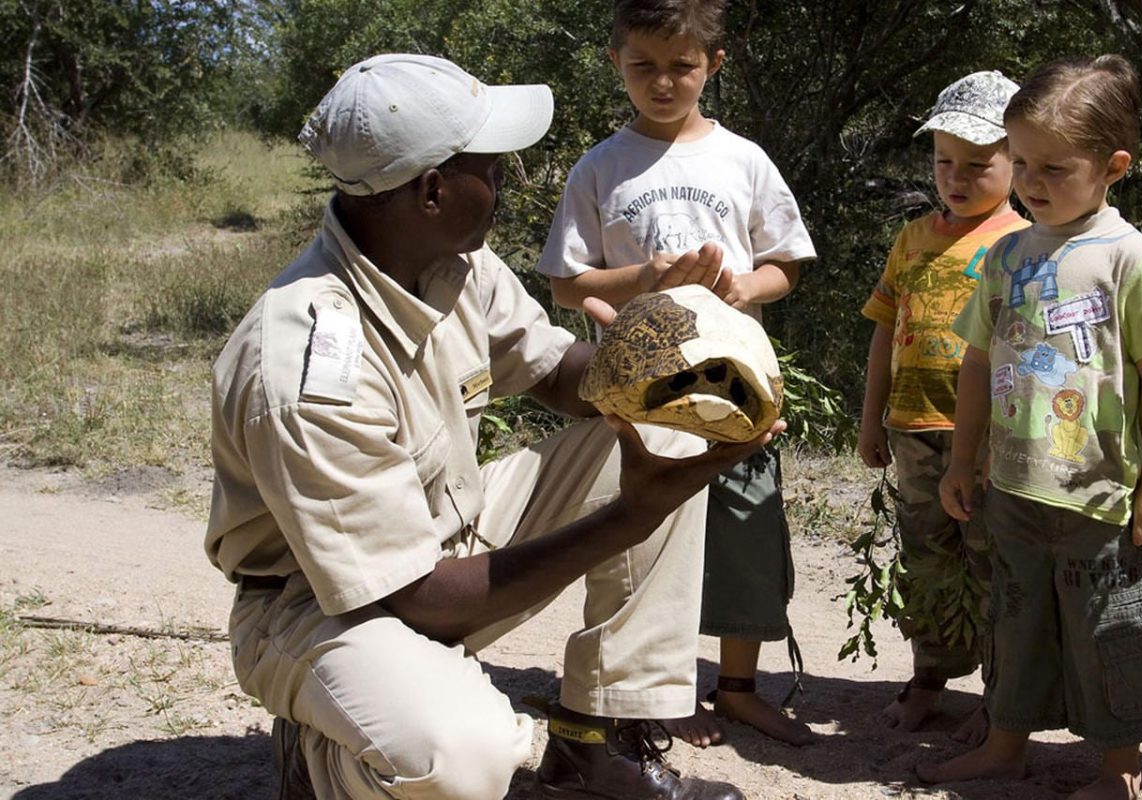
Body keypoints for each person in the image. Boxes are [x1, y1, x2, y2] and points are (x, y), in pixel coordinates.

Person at [205, 52, 781, 800]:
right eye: (490, 163)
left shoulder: (452, 263)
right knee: (463, 756)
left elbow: (558, 372)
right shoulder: (308, 364)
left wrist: (657, 356)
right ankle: (324, 761)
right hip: (317, 604)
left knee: (664, 427)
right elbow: (414, 598)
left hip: (443, 544)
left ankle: (595, 746)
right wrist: (632, 516)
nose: (504, 176)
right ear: (432, 190)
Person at [536, 0, 817, 748]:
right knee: (648, 539)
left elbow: (785, 264)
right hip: (643, 392)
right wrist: (645, 278)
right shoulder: (601, 167)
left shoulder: (743, 159)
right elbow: (567, 283)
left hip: (737, 384)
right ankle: (661, 690)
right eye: (643, 66)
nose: (663, 82)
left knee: (746, 527)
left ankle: (739, 689)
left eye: (682, 66)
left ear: (713, 65)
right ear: (615, 63)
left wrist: (741, 288)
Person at [920, 54, 1142, 800]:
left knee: (1108, 629)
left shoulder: (1131, 260)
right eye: (1021, 163)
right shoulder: (1006, 254)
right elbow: (979, 362)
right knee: (1014, 621)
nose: (1031, 182)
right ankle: (1004, 745)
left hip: (1099, 497)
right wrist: (962, 459)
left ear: (1113, 168)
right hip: (1014, 486)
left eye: (1054, 167)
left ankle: (1121, 770)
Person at [857, 70, 1027, 738]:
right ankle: (929, 675)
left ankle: (1000, 696)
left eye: (978, 164)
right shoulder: (912, 238)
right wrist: (872, 419)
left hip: (986, 440)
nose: (957, 177)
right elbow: (883, 331)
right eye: (943, 161)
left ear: (1017, 160)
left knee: (991, 563)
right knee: (926, 561)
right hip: (913, 429)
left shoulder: (1021, 245)